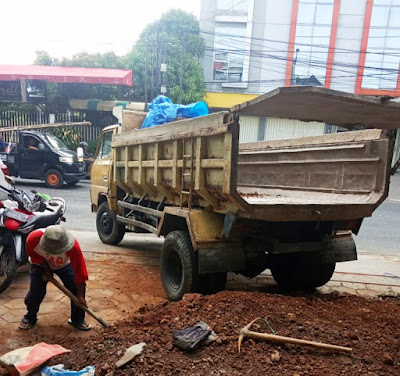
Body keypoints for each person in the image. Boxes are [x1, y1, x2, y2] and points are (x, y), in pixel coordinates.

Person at [19, 225, 91, 331]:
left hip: (63, 264)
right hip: (40, 265)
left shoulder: (73, 247)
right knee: (35, 292)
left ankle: (78, 319)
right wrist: (47, 270)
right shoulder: (33, 239)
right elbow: (34, 256)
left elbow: (80, 272)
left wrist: (80, 296)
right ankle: (30, 316)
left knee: (75, 288)